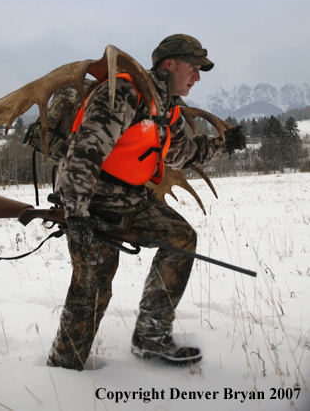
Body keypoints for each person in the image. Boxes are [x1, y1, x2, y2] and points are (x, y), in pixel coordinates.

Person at [47, 34, 246, 370]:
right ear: (169, 64)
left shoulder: (168, 108)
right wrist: (77, 214)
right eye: (193, 67)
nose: (197, 76)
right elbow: (84, 151)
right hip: (91, 199)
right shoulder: (125, 92)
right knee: (94, 283)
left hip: (132, 197)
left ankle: (151, 336)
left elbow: (183, 154)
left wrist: (224, 145)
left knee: (181, 238)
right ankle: (65, 365)